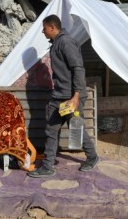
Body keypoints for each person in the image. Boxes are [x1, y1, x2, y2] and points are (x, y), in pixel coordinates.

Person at [28, 15, 99, 178]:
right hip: (58, 95)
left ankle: (93, 156)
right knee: (51, 129)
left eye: (44, 28)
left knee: (76, 129)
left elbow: (78, 69)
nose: (42, 31)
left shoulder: (66, 42)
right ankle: (48, 166)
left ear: (52, 27)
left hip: (71, 96)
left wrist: (76, 96)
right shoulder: (56, 43)